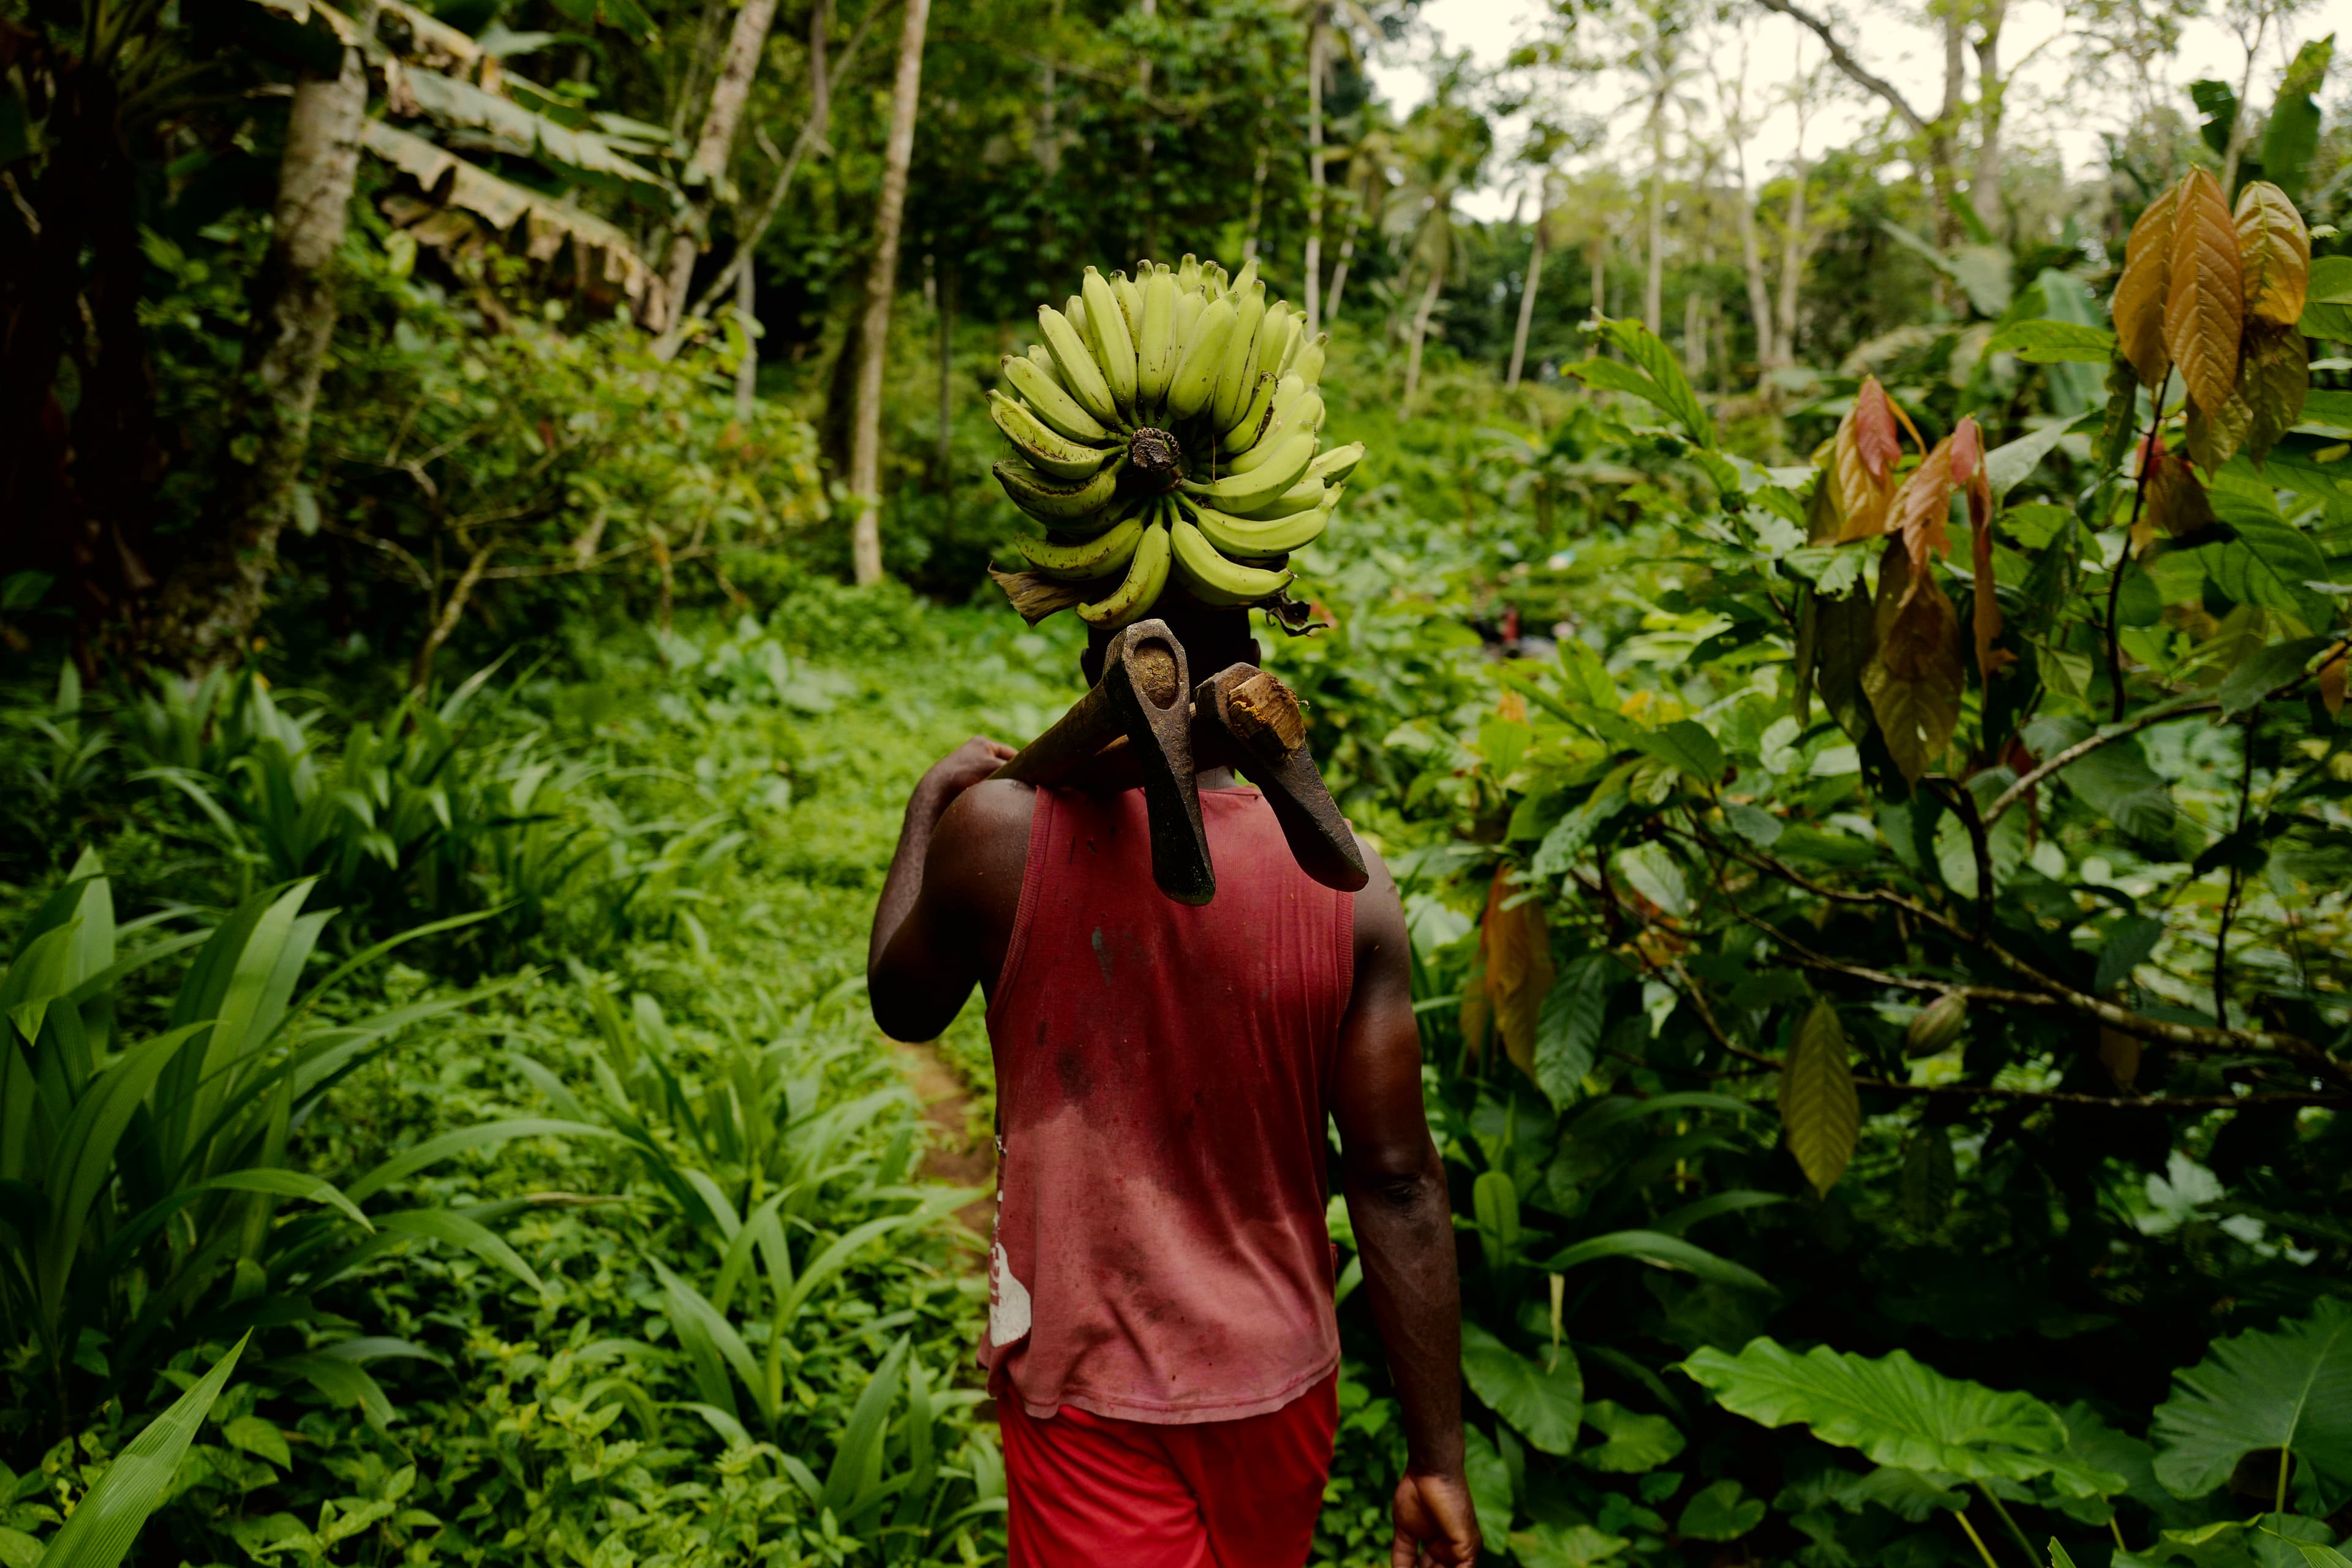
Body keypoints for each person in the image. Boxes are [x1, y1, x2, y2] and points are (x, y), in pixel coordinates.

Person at [866, 611, 1479, 1568]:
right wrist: (1439, 1456)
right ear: (1255, 680)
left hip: (1090, 1391)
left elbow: (903, 1007)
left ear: (1093, 669)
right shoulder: (1353, 882)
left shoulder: (998, 834)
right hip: (1284, 1381)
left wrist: (928, 805)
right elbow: (1398, 1180)